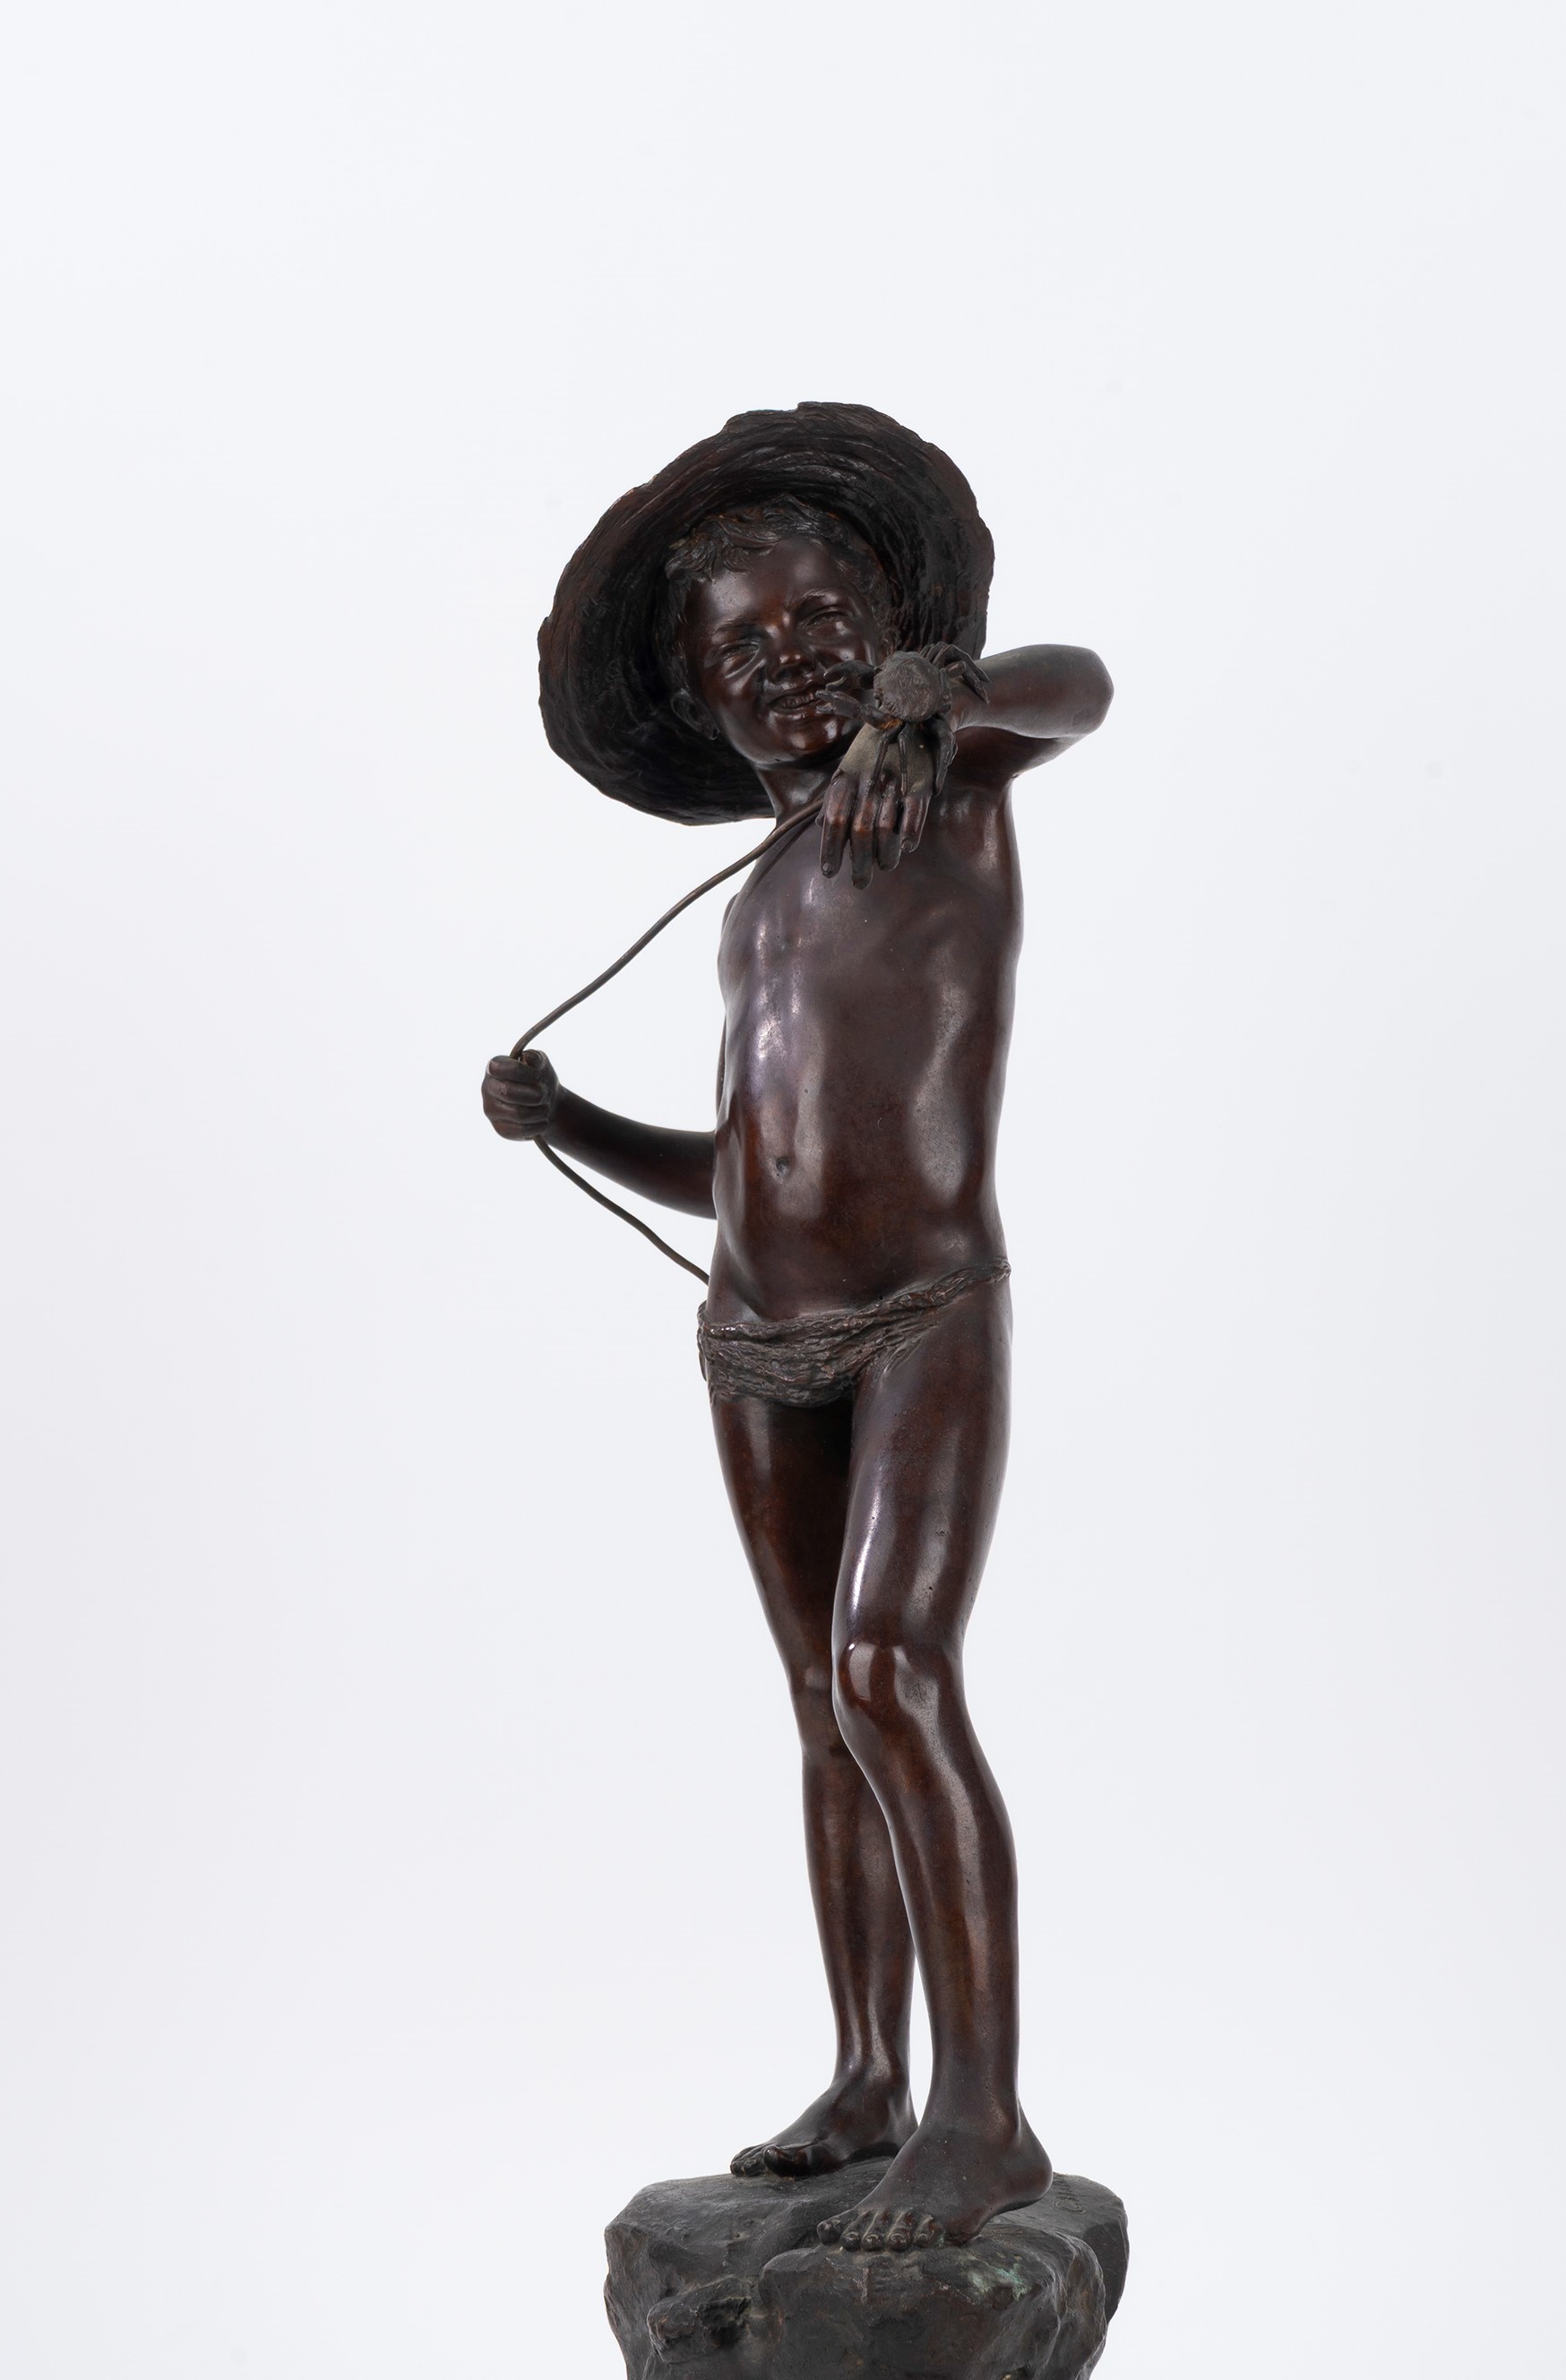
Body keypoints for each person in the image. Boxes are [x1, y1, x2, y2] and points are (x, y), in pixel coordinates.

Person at [486, 407, 1110, 2249]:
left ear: (891, 627)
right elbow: (756, 1174)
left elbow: (1083, 685)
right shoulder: (753, 897)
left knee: (893, 1670)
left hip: (922, 1315)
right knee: (822, 1708)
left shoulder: (948, 781)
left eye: (824, 623)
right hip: (757, 1337)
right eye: (744, 650)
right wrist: (571, 1123)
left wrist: (939, 698)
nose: (791, 664)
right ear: (703, 700)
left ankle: (983, 2113)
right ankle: (865, 2076)